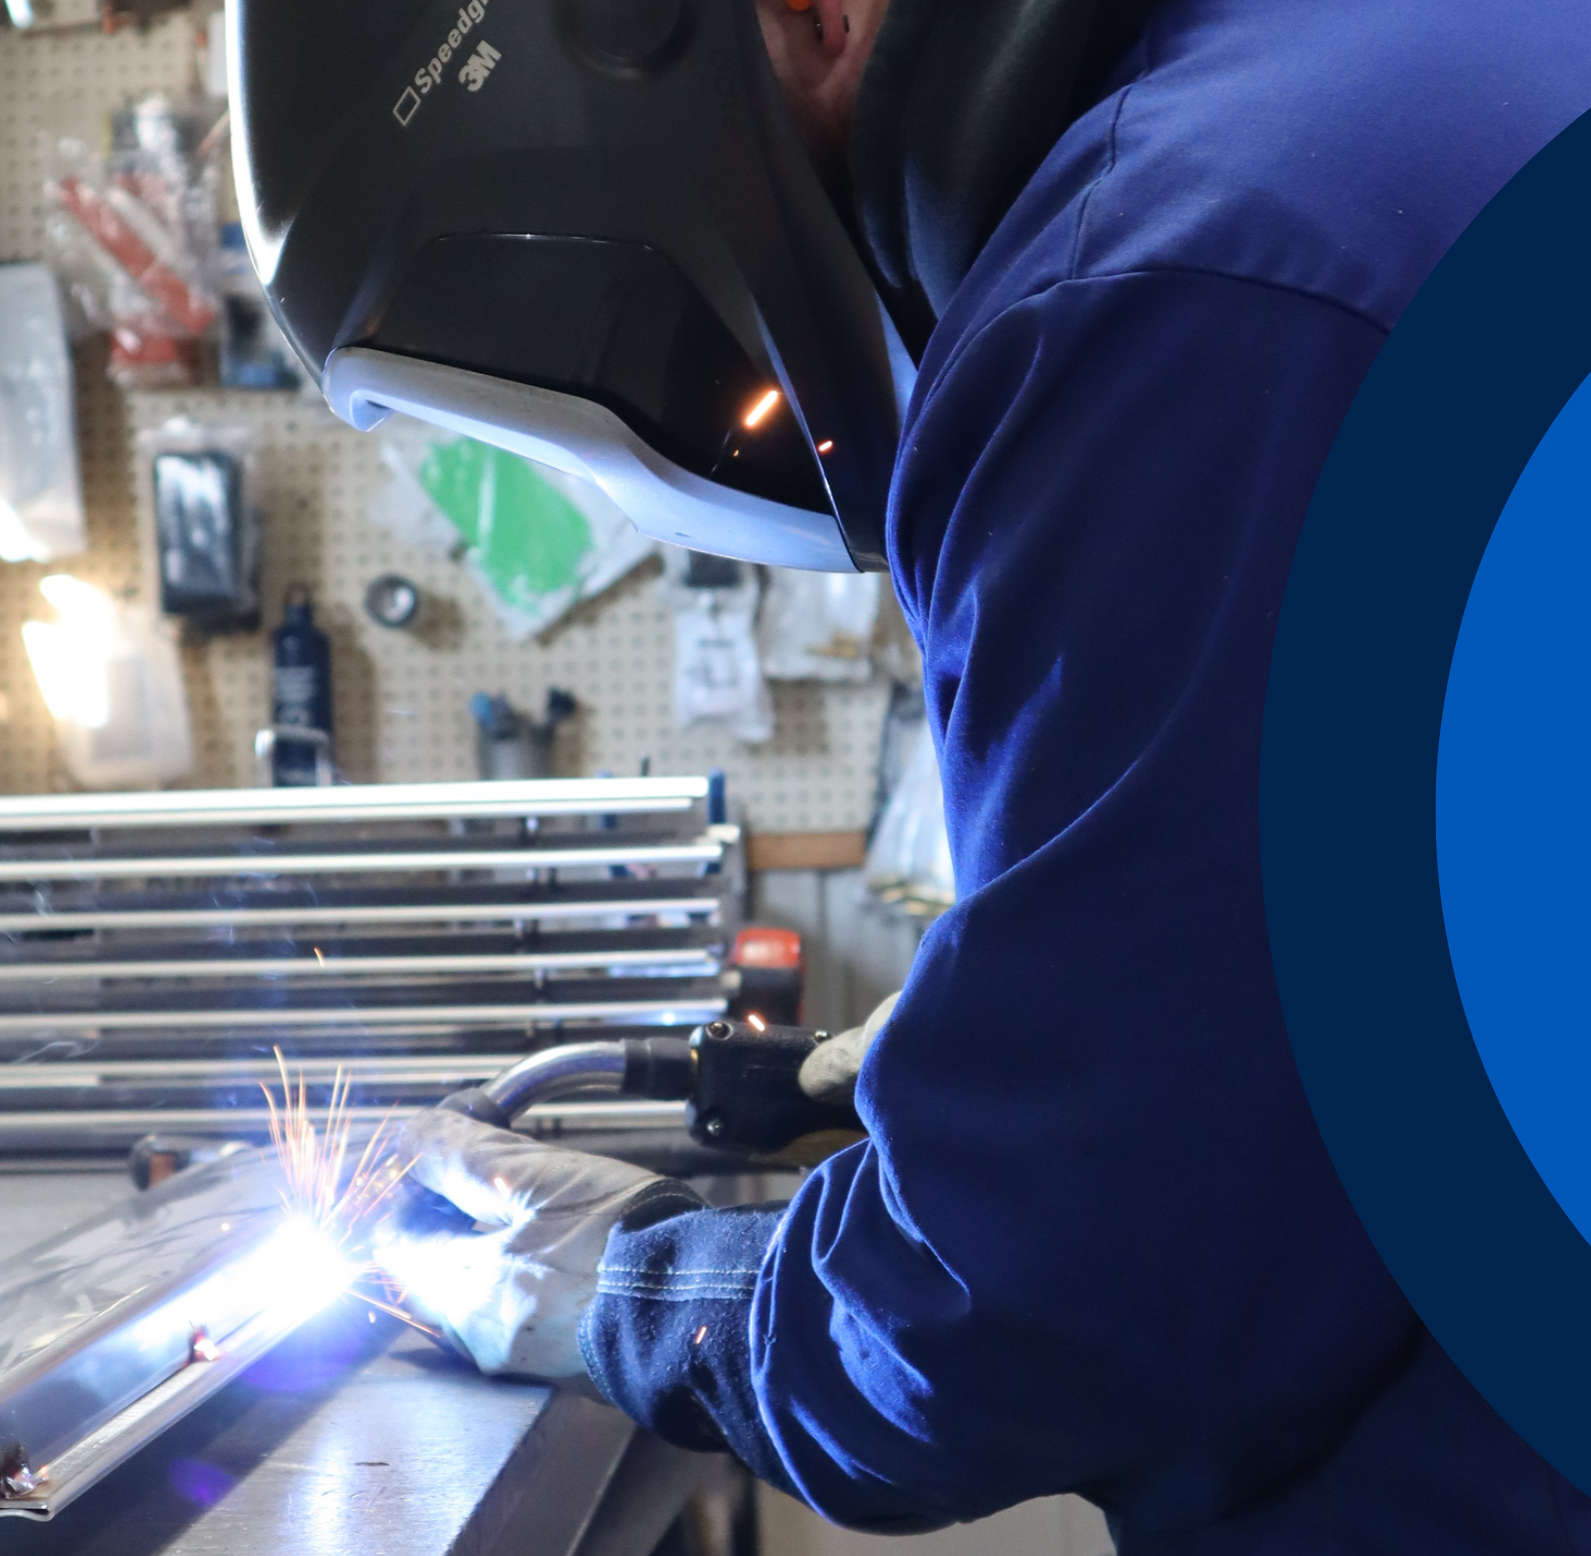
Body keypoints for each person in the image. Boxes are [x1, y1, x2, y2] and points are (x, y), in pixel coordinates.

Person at [250, 0, 1591, 1544]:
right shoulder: (1380, 74)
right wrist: (963, 1055)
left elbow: (1033, 1303)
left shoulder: (1158, 289)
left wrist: (621, 1284)